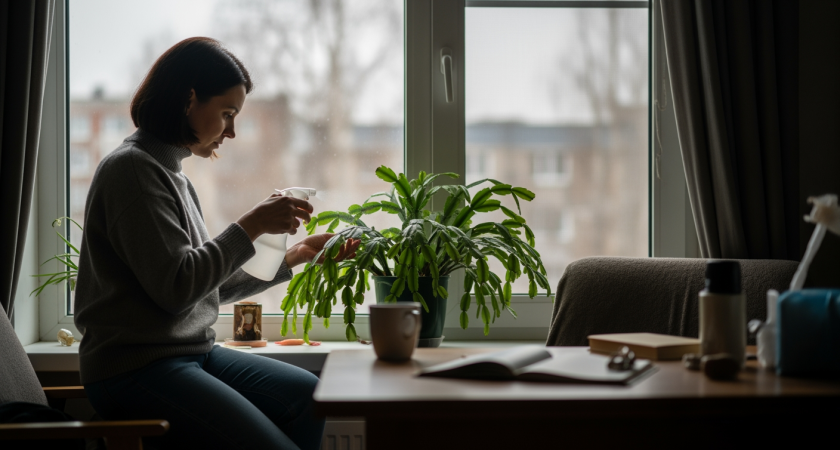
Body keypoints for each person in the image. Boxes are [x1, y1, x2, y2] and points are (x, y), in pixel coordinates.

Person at [73, 37, 359, 450]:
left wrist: (298, 256)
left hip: (191, 354)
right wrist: (251, 224)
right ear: (189, 100)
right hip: (135, 367)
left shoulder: (173, 175)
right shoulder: (132, 170)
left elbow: (205, 286)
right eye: (227, 114)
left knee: (308, 397)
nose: (232, 131)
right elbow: (177, 290)